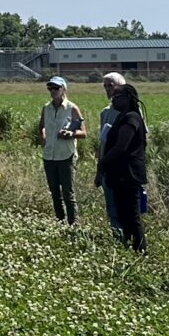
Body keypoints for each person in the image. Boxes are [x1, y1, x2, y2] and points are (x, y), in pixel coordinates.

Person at [94, 73, 149, 250]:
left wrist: (103, 162)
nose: (113, 100)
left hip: (129, 174)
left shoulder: (131, 117)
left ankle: (140, 249)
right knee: (123, 214)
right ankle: (126, 246)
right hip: (118, 174)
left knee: (132, 215)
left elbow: (121, 146)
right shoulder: (121, 116)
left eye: (117, 97)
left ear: (127, 98)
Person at [37, 75, 85, 224]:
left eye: (56, 88)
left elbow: (83, 133)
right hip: (49, 155)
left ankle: (74, 224)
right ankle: (59, 221)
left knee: (68, 192)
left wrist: (70, 134)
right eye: (50, 88)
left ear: (64, 89)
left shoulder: (72, 108)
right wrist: (44, 137)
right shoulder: (46, 108)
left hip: (66, 155)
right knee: (54, 192)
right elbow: (41, 127)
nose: (53, 91)